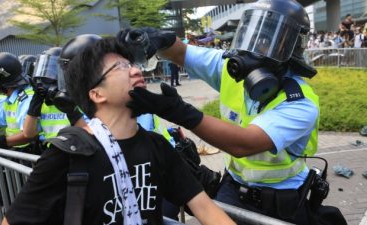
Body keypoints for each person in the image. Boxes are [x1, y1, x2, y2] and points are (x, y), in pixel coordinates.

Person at [118, 0, 346, 224]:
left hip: (281, 204)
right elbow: (181, 53)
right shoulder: (232, 69)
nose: (253, 46)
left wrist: (181, 112)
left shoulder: (300, 103)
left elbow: (244, 144)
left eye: (265, 40)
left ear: (289, 49)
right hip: (233, 189)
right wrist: (157, 39)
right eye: (252, 35)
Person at [1, 37, 236, 225]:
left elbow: (204, 208)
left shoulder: (157, 147)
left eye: (131, 64)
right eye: (120, 67)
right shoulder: (66, 155)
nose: (135, 71)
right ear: (97, 94)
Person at [23, 47, 86, 147]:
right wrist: (36, 102)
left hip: (75, 153)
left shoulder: (81, 100)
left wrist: (70, 110)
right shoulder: (43, 102)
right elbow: (28, 133)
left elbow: (89, 135)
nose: (43, 81)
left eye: (50, 74)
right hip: (51, 152)